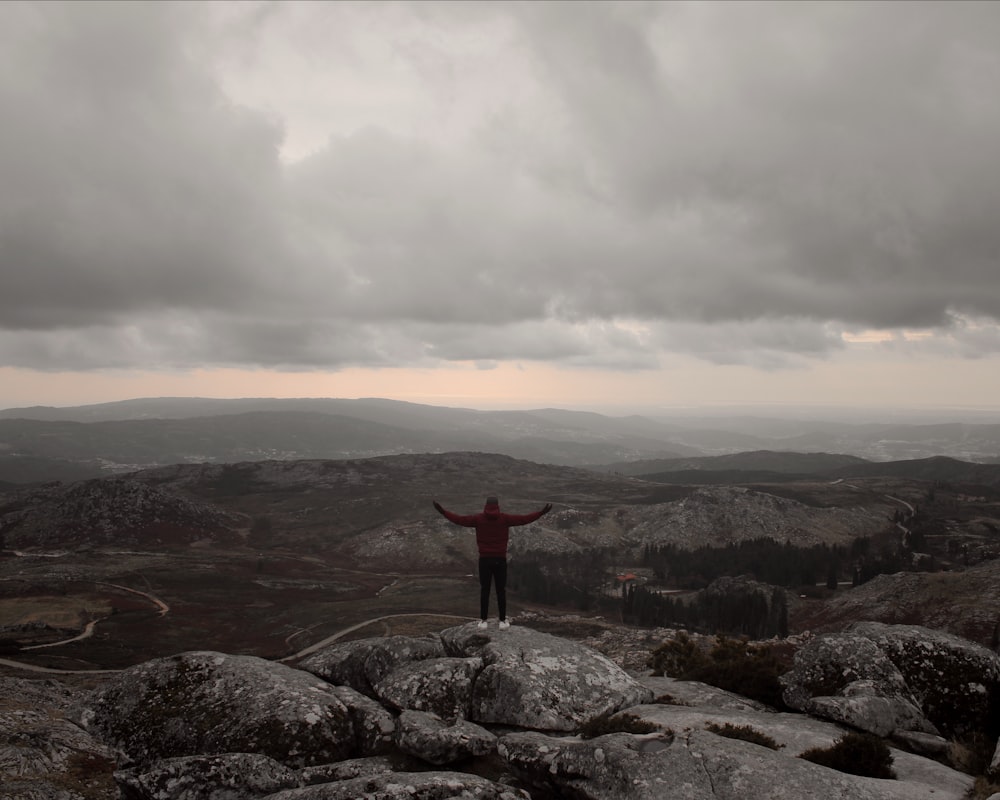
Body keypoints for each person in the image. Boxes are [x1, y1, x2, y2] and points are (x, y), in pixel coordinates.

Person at [433, 495, 552, 630]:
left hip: (484, 560)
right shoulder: (505, 518)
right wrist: (541, 513)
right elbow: (524, 519)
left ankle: (483, 621)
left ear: (486, 506)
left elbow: (459, 520)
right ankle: (502, 621)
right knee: (500, 590)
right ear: (497, 506)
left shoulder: (478, 519)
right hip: (500, 560)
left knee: (485, 590)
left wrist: (443, 512)